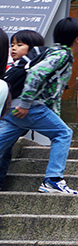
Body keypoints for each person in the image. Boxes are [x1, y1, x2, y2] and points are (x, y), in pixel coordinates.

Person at [0, 16, 78, 193]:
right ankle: (53, 180)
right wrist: (25, 104)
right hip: (29, 108)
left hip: (11, 108)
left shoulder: (47, 51)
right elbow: (36, 73)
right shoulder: (62, 55)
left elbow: (52, 92)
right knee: (64, 134)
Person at [0, 29, 47, 181]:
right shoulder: (14, 67)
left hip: (16, 113)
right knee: (6, 149)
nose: (13, 48)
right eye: (12, 44)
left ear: (32, 48)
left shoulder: (28, 69)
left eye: (19, 45)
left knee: (5, 148)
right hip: (9, 114)